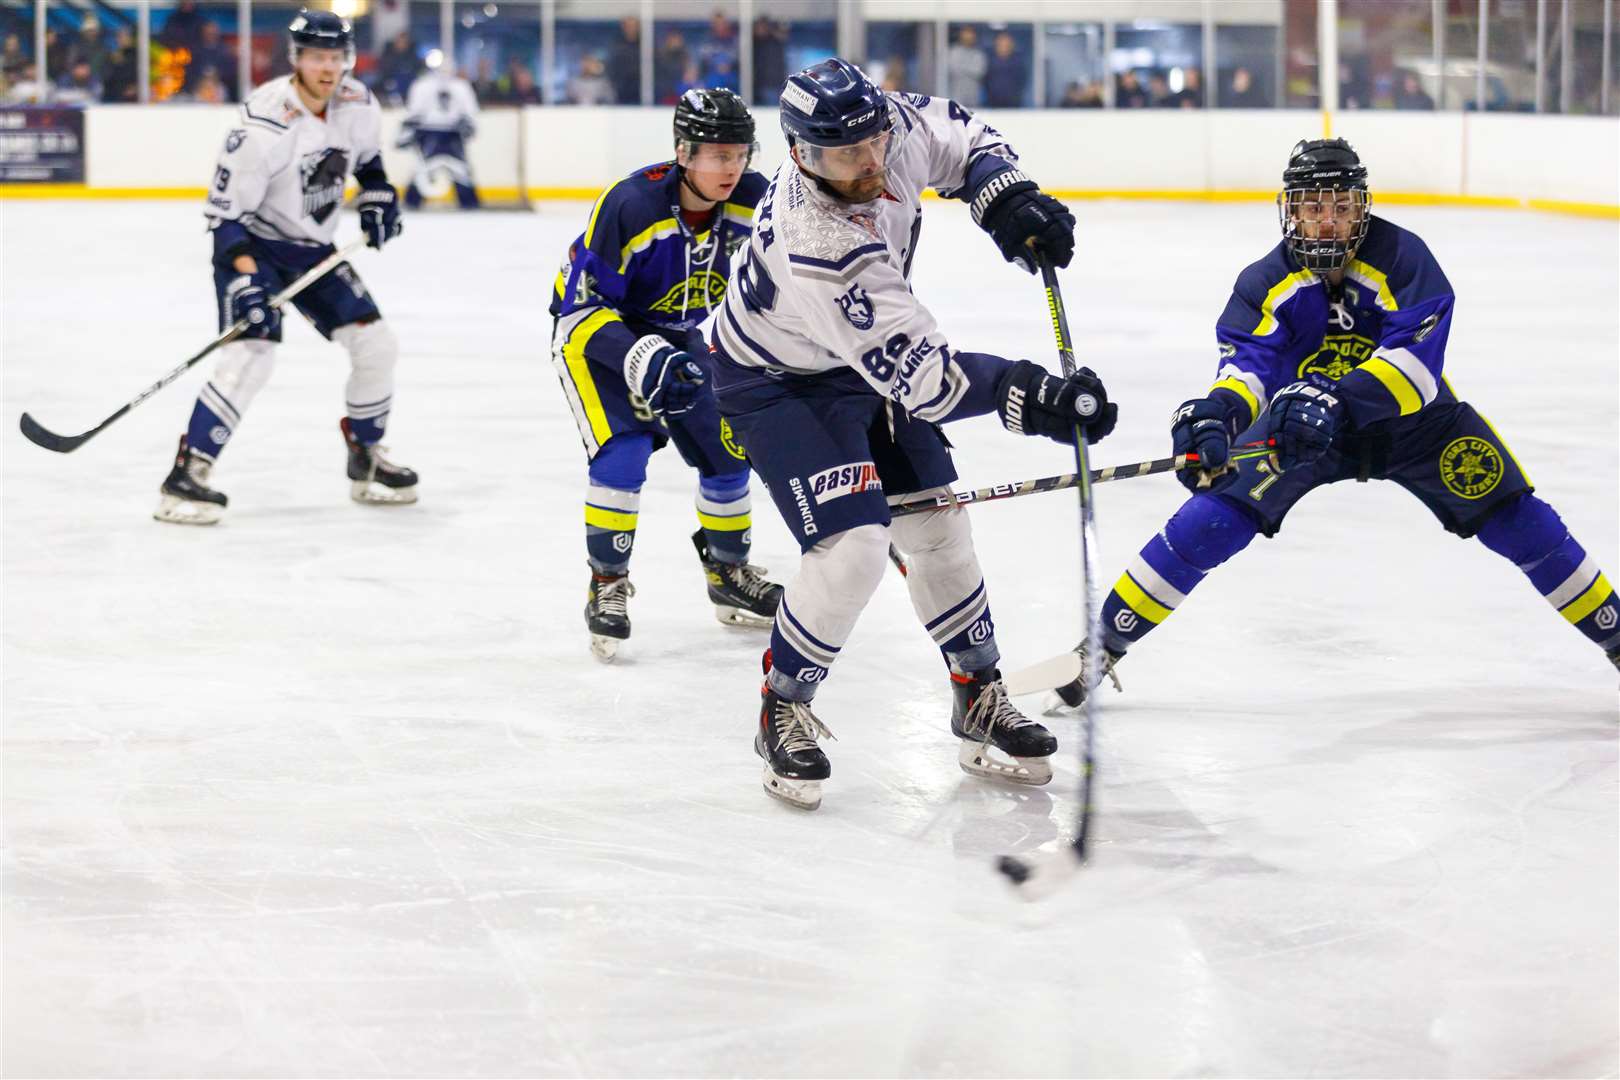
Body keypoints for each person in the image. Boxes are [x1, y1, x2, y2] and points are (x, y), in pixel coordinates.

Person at [1047, 138, 1620, 710]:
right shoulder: (1265, 280)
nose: (1327, 222)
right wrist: (1217, 417)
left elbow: (1418, 368)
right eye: (1312, 208)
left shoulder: (1403, 257)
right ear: (1290, 210)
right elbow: (1248, 367)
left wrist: (1338, 400)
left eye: (1340, 207)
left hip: (1416, 426)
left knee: (1519, 519)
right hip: (1302, 431)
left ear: (1361, 208)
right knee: (1213, 518)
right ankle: (1102, 645)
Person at [710, 60, 1117, 811]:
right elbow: (927, 381)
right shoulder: (818, 242)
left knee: (937, 526)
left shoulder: (886, 128)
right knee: (856, 546)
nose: (868, 164)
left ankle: (978, 694)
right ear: (800, 155)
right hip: (779, 382)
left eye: (871, 143)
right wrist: (1029, 391)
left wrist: (1006, 196)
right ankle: (782, 705)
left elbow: (965, 138)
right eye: (841, 156)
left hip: (858, 357)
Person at [549, 89, 782, 662]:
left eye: (740, 153)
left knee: (726, 452)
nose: (731, 167)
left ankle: (727, 573)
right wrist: (641, 358)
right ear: (684, 152)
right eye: (717, 154)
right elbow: (581, 307)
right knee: (624, 454)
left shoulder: (758, 200)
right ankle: (607, 584)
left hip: (682, 332)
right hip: (599, 333)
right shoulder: (629, 204)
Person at [155, 9, 411, 525]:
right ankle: (187, 475)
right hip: (254, 245)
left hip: (312, 250)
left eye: (336, 57)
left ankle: (366, 458)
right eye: (317, 56)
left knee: (376, 343)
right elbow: (226, 221)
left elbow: (368, 164)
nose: (328, 68)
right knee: (252, 353)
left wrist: (379, 198)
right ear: (297, 59)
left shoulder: (358, 104)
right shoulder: (263, 123)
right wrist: (247, 279)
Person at [399, 50, 480, 209]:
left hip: (450, 133)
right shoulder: (424, 85)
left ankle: (469, 202)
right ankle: (412, 201)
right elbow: (414, 113)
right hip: (431, 132)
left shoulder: (459, 86)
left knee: (458, 169)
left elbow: (469, 114)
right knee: (425, 168)